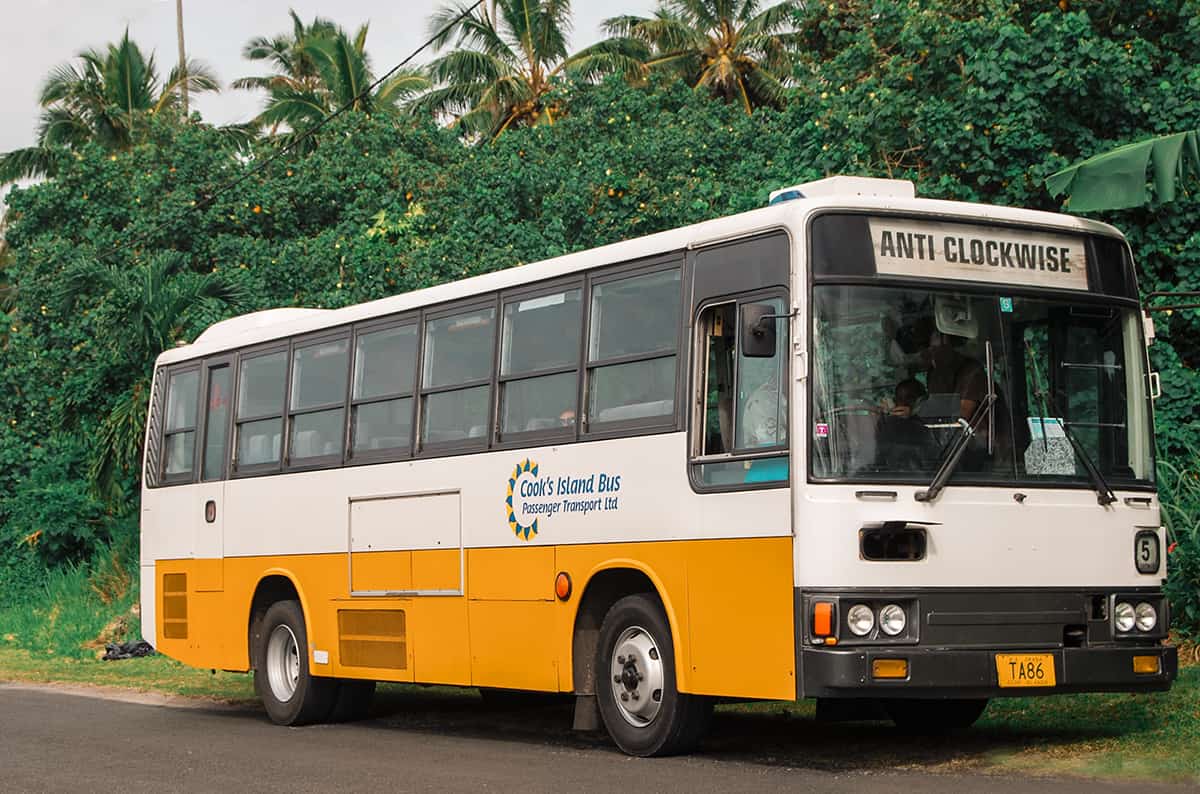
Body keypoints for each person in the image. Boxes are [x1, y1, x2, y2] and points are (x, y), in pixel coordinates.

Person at [876, 379, 932, 471]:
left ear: (921, 401)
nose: (904, 403)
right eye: (899, 399)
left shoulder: (931, 421)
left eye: (910, 398)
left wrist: (911, 419)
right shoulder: (887, 422)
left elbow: (931, 450)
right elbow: (879, 450)